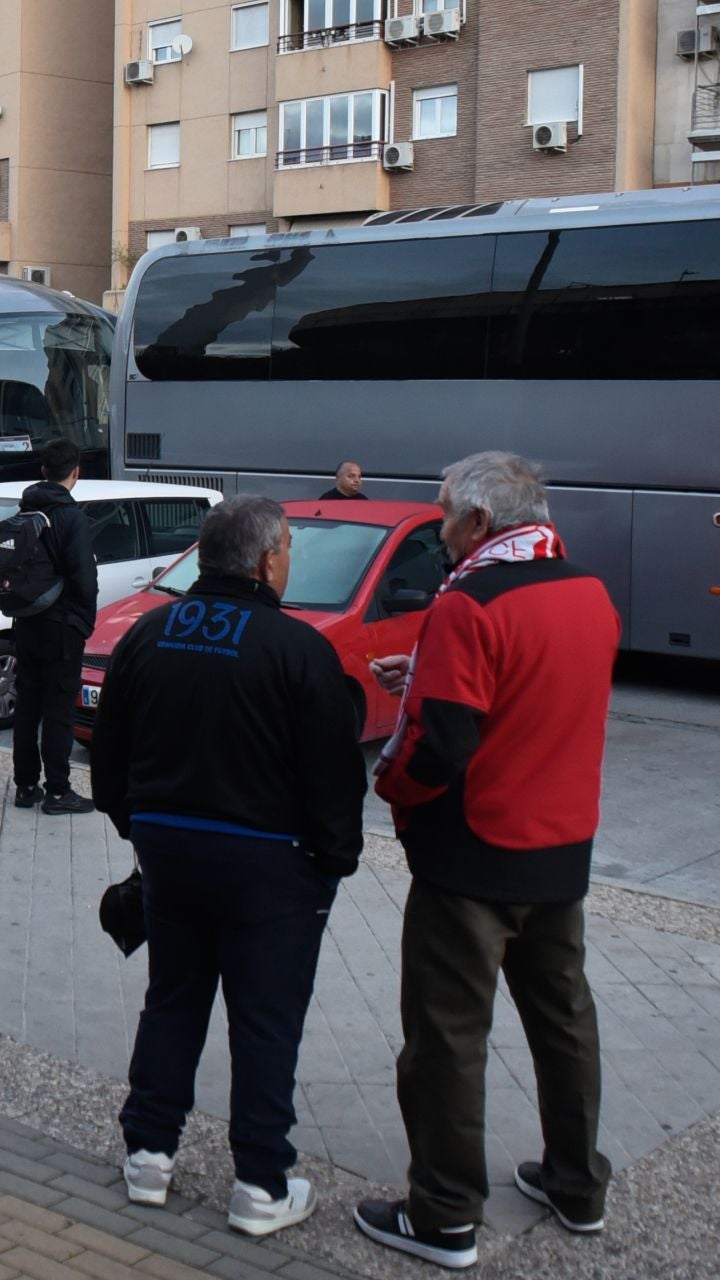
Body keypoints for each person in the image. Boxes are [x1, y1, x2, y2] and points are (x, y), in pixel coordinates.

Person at [354, 452, 620, 1271]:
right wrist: (428, 674)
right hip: (561, 847)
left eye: (442, 515)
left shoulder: (468, 602)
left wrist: (388, 784)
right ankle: (577, 1185)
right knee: (564, 1020)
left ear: (476, 522)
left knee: (446, 1038)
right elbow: (531, 693)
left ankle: (442, 1214)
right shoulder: (588, 591)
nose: (438, 529)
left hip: (473, 856)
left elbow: (444, 744)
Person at [89, 494, 365, 1237]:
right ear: (268, 559)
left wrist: (136, 827)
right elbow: (337, 778)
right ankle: (261, 1184)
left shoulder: (149, 634)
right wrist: (332, 862)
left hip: (171, 851)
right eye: (288, 554)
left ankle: (148, 1152)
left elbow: (106, 756)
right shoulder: (300, 648)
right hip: (270, 865)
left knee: (174, 999)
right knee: (265, 1019)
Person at [8, 439, 99, 815]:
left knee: (27, 704)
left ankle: (26, 786)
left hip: (26, 621)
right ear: (75, 472)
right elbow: (83, 576)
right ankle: (58, 791)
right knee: (59, 708)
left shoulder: (25, 508)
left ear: (43, 470)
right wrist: (84, 621)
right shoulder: (70, 516)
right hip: (61, 627)